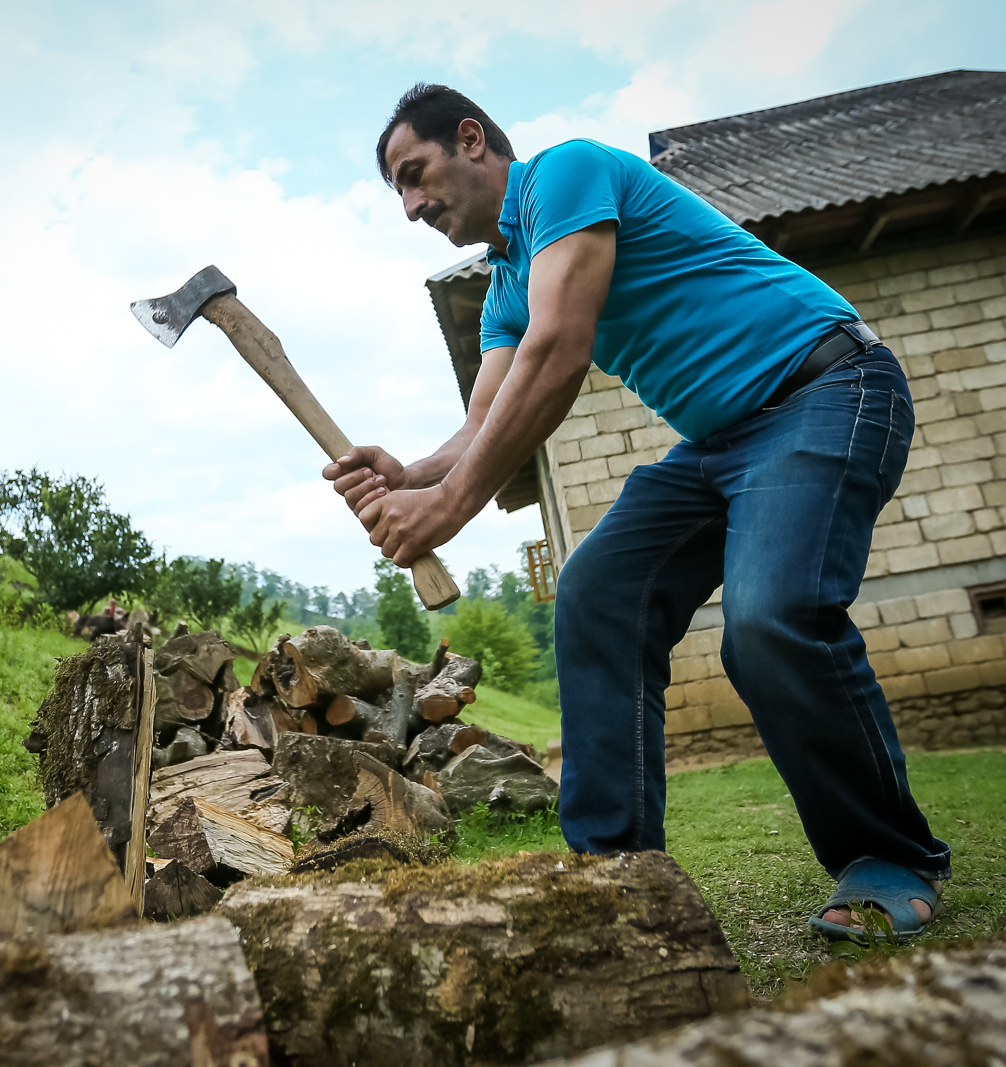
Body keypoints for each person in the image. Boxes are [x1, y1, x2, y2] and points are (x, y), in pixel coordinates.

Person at [323, 83, 951, 942]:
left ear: (472, 140)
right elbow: (478, 427)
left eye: (414, 174)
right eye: (397, 189)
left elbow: (559, 348)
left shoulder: (568, 175)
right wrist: (413, 472)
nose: (410, 206)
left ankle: (890, 855)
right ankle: (615, 876)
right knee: (598, 591)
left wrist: (451, 503)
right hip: (721, 442)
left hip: (827, 388)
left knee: (770, 620)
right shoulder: (508, 279)